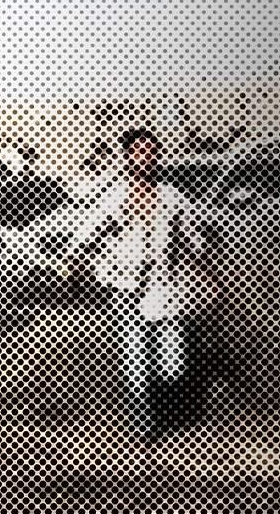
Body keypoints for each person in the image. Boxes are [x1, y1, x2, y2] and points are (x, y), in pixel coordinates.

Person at [61, 129, 218, 447]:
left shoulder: (171, 196)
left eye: (150, 150)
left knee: (173, 363)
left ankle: (167, 410)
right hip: (125, 287)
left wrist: (212, 278)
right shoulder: (115, 197)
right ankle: (144, 423)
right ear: (127, 157)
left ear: (157, 155)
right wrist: (76, 267)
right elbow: (85, 237)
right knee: (136, 359)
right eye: (138, 150)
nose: (145, 155)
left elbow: (194, 241)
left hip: (164, 288)